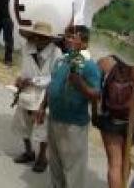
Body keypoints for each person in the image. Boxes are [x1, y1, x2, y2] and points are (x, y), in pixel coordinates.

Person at [36, 25, 101, 188]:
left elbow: (96, 94)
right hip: (55, 119)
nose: (68, 40)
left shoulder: (89, 65)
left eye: (73, 37)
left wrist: (81, 85)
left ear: (84, 43)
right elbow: (52, 85)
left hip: (73, 125)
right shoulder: (62, 60)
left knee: (73, 168)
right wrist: (42, 107)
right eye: (67, 36)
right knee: (56, 164)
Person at [11, 22, 62, 173]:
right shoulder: (27, 48)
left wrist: (33, 81)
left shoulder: (56, 53)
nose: (37, 40)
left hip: (44, 93)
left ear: (48, 40)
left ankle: (42, 156)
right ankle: (28, 151)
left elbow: (54, 77)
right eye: (35, 37)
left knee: (42, 125)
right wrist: (20, 80)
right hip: (26, 92)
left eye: (42, 38)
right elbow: (23, 69)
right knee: (22, 122)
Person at [93, 55, 134, 188]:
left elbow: (96, 92)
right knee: (124, 158)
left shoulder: (104, 62)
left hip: (112, 121)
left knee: (115, 163)